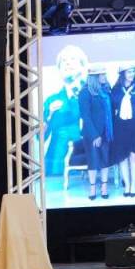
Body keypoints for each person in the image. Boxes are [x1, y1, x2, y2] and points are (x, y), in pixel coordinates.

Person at [44, 45, 88, 177]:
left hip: (84, 158)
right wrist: (49, 115)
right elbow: (40, 137)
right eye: (63, 60)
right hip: (56, 164)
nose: (67, 63)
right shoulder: (52, 100)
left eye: (72, 59)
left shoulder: (90, 94)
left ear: (82, 66)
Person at [110, 65, 135, 198]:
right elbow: (111, 108)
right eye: (129, 72)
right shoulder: (116, 89)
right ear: (122, 74)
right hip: (119, 126)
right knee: (122, 157)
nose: (131, 74)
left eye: (133, 71)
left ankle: (134, 185)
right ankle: (126, 185)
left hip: (134, 125)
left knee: (134, 155)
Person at [79, 65, 115, 201]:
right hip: (92, 134)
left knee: (105, 160)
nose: (105, 77)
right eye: (102, 75)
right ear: (95, 77)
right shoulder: (85, 92)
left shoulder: (106, 91)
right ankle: (93, 187)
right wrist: (95, 135)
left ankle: (104, 187)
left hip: (106, 132)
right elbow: (86, 116)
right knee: (93, 161)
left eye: (104, 74)